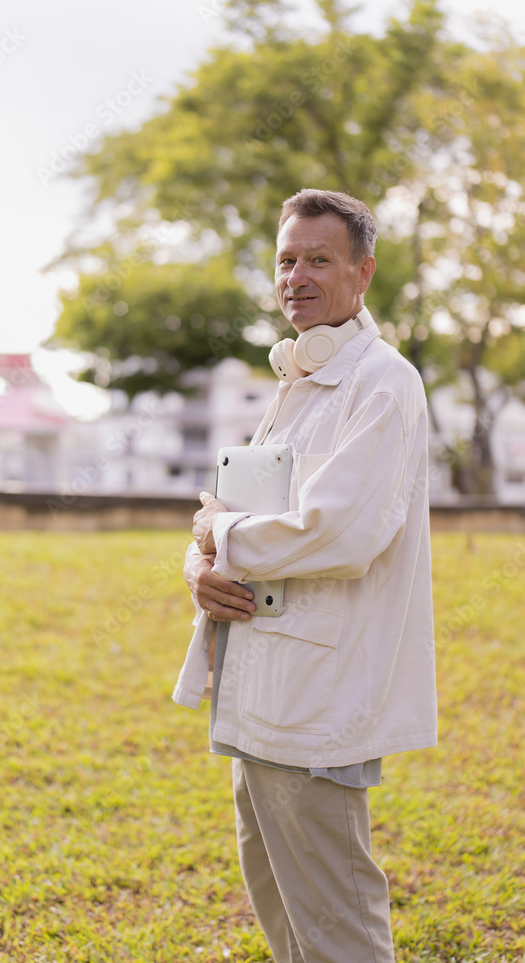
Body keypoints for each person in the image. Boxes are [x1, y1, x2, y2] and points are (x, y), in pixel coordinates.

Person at [173, 188, 437, 963]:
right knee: (282, 911)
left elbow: (340, 531)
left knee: (335, 926)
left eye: (318, 259)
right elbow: (233, 518)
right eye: (286, 260)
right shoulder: (297, 381)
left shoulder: (380, 382)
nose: (296, 277)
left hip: (318, 699)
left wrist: (218, 535)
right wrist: (200, 567)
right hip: (257, 689)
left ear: (363, 273)